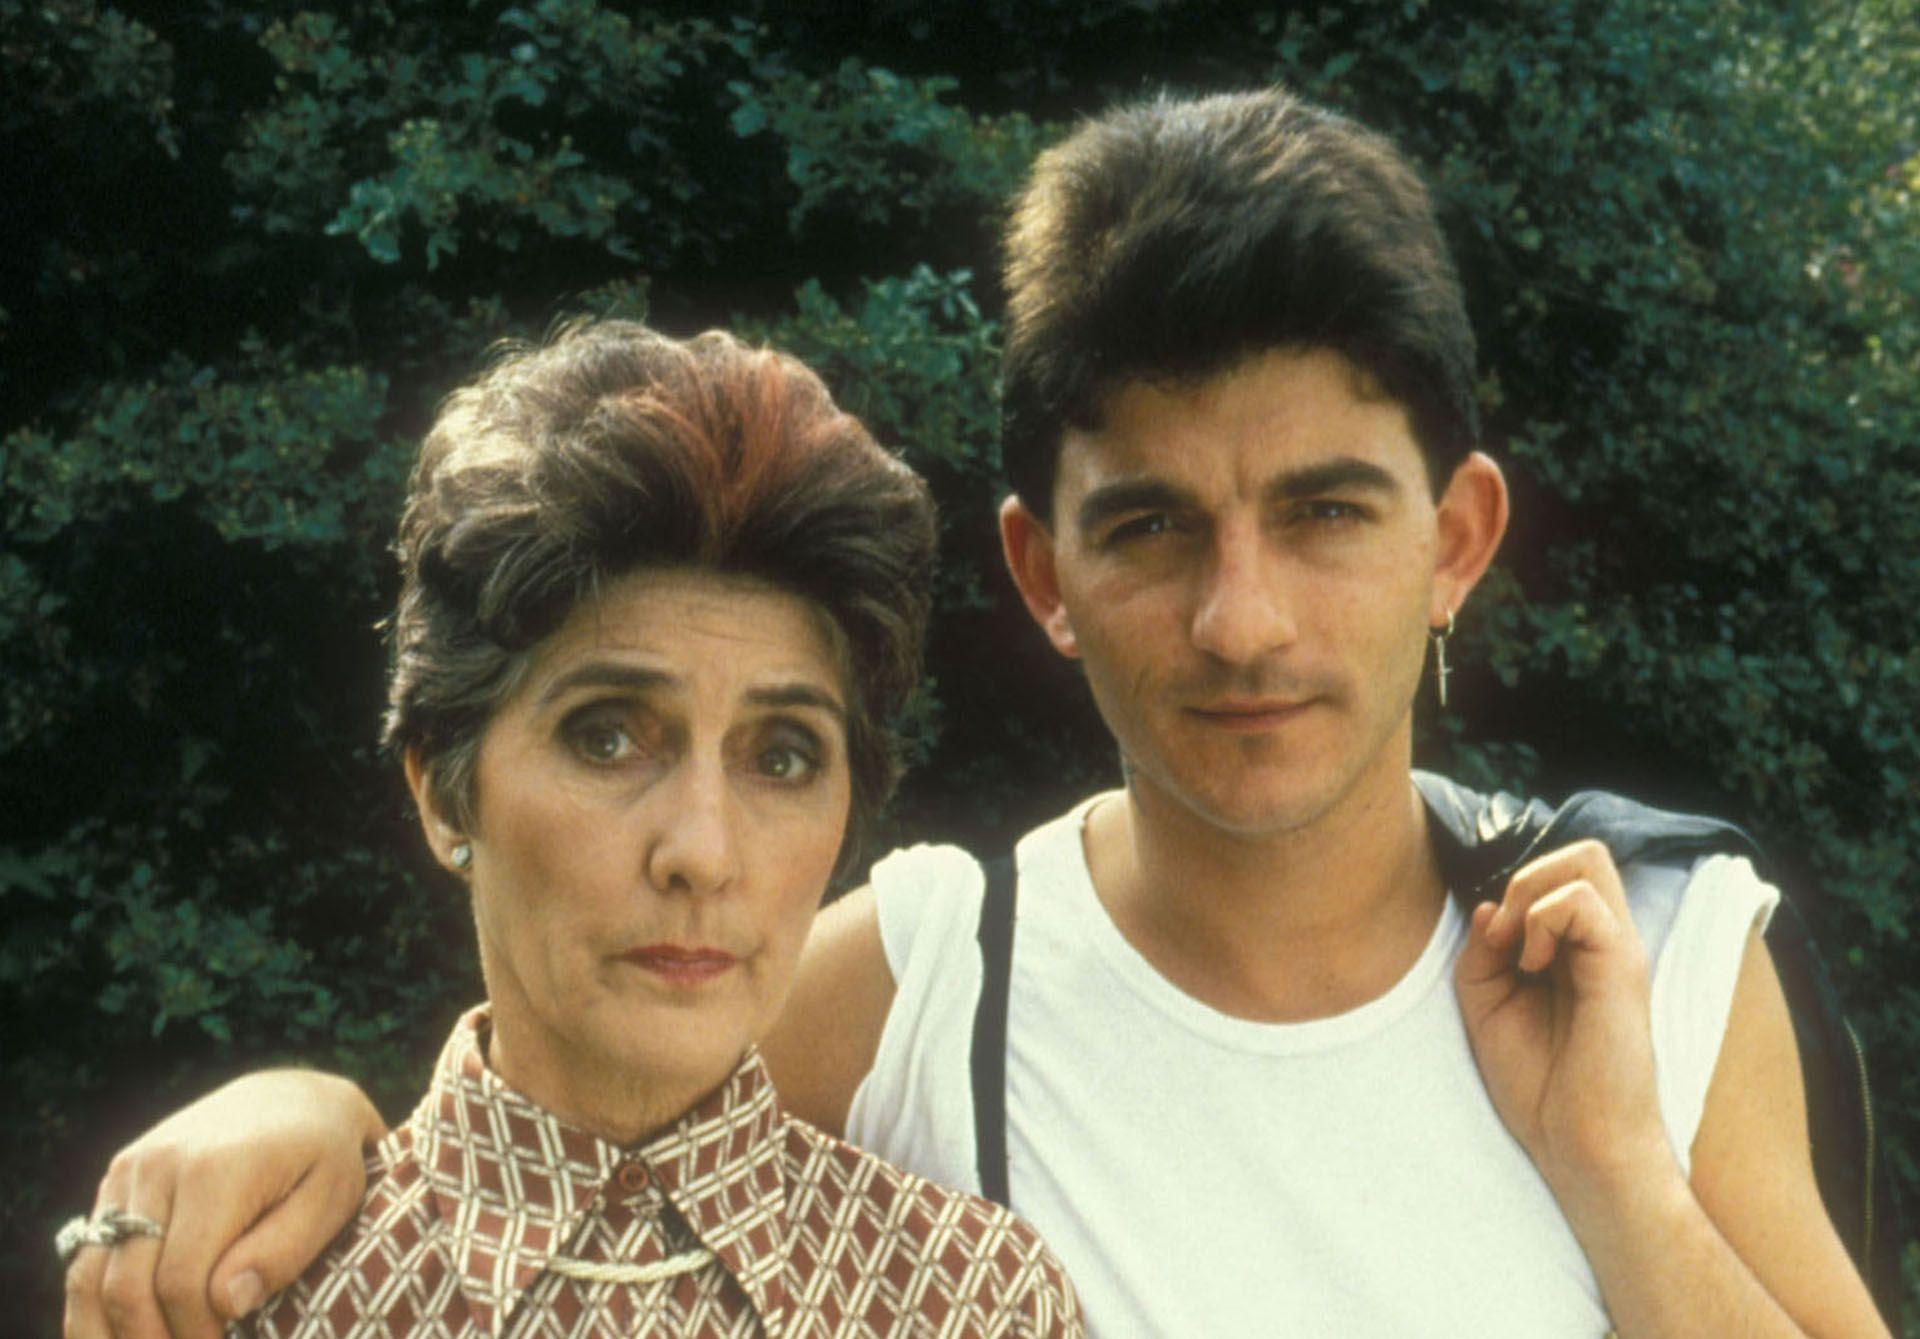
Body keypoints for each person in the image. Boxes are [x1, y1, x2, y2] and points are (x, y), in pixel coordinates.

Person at [64, 88, 1888, 1338]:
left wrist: (1618, 1171)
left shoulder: (1651, 947)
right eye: (1151, 523)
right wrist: (313, 1115)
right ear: (1042, 573)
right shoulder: (940, 965)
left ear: (1457, 537)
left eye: (1327, 511)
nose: (1241, 616)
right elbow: (589, 1086)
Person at [57, 319, 1084, 1337]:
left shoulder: (974, 1301)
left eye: (781, 756)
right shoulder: (237, 1301)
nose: (701, 852)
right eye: (607, 738)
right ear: (443, 791)